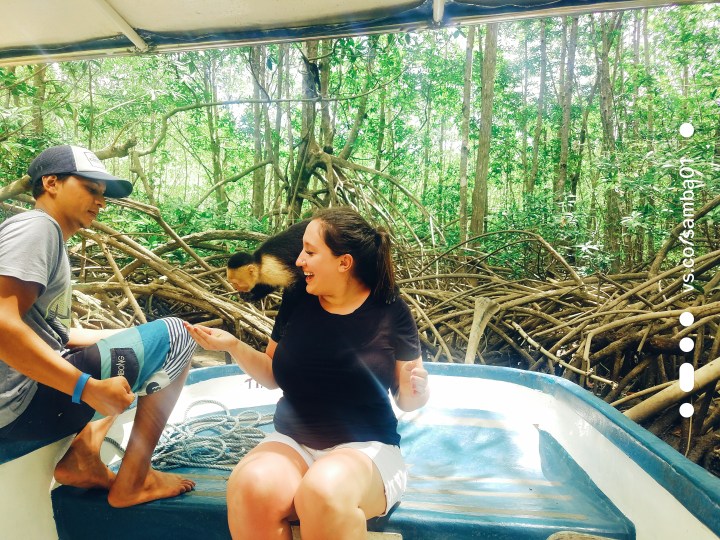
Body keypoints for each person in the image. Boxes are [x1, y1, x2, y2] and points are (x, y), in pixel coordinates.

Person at [184, 206, 430, 540]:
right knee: (249, 485)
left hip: (367, 449)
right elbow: (273, 373)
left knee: (322, 492)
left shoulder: (390, 309)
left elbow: (408, 397)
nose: (298, 261)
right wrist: (234, 346)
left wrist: (417, 395)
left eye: (310, 252)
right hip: (294, 441)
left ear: (344, 262)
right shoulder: (296, 297)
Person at [0, 145, 197, 507]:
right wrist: (85, 387)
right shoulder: (37, 228)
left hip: (16, 407)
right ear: (52, 182)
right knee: (177, 335)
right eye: (91, 189)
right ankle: (135, 481)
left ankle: (86, 454)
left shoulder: (46, 235)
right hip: (14, 409)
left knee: (155, 339)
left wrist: (125, 337)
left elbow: (50, 333)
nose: (100, 202)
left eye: (103, 195)